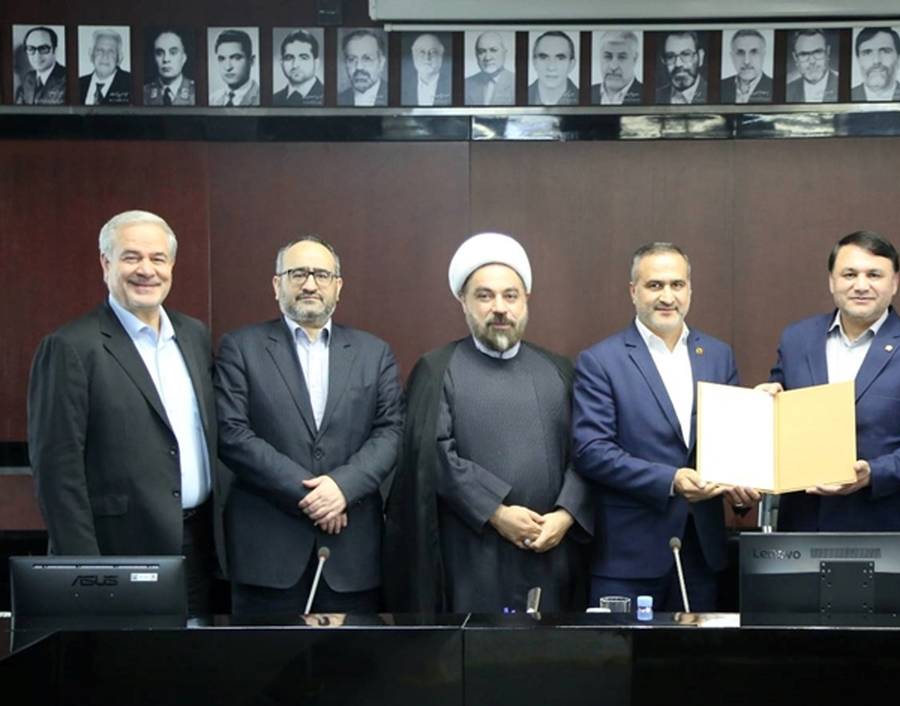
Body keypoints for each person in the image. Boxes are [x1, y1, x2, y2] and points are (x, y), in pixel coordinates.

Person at [386, 233, 591, 613]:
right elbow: (433, 454)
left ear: (525, 300)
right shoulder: (437, 369)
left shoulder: (559, 370)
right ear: (463, 302)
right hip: (472, 554)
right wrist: (497, 513)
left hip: (551, 550)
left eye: (510, 296)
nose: (499, 308)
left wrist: (565, 515)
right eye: (484, 296)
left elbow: (587, 452)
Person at [27, 210, 220, 613]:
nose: (146, 270)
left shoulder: (194, 335)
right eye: (131, 257)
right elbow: (57, 474)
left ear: (171, 266)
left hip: (198, 549)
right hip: (119, 554)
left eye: (157, 258)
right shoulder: (70, 347)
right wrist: (87, 573)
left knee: (194, 652)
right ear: (106, 263)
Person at [215, 236, 403, 615]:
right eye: (297, 273)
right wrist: (316, 497)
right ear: (276, 284)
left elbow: (391, 431)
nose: (310, 284)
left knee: (353, 654)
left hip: (352, 553)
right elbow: (232, 434)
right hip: (267, 554)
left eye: (321, 274)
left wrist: (342, 487)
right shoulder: (240, 347)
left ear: (338, 286)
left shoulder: (374, 353)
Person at [573, 243, 757, 612]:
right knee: (621, 651)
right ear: (633, 291)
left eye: (677, 284)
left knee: (697, 651)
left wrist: (740, 490)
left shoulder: (718, 355)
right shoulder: (601, 361)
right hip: (629, 556)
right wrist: (671, 480)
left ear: (690, 289)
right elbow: (591, 451)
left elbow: (728, 444)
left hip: (702, 553)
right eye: (654, 285)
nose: (667, 297)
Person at [756, 230, 900, 532]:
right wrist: (763, 405)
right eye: (849, 274)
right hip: (803, 524)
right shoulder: (797, 340)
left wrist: (873, 473)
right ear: (832, 281)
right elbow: (778, 415)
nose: (861, 285)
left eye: (874, 275)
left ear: (895, 283)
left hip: (884, 527)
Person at [79, 28, 131, 105]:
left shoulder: (132, 84)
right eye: (100, 50)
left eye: (111, 51)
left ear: (119, 57)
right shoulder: (77, 84)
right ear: (91, 54)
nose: (105, 56)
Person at [16, 26, 67, 105]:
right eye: (31, 49)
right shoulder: (28, 78)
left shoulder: (68, 79)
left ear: (55, 50)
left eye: (43, 48)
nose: (37, 56)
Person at [720, 29, 773, 103]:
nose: (746, 61)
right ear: (732, 56)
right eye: (740, 52)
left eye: (754, 52)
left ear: (763, 55)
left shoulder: (775, 87)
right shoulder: (719, 86)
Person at [145, 29, 196, 105]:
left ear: (184, 58)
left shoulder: (196, 92)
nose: (166, 59)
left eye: (173, 53)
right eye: (159, 53)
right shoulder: (144, 93)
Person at [785, 29, 839, 103]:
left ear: (827, 52)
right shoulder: (788, 91)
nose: (812, 61)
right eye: (804, 54)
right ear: (795, 58)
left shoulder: (843, 86)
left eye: (817, 52)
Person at [337, 29, 388, 106]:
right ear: (345, 63)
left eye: (367, 59)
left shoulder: (394, 95)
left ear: (381, 63)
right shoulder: (339, 99)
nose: (359, 67)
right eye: (351, 59)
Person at [655, 30, 708, 104]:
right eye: (670, 56)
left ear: (700, 57)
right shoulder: (655, 97)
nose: (678, 64)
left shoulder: (713, 94)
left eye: (686, 54)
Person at [209, 29, 259, 107]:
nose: (228, 67)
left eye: (236, 58)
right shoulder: (212, 99)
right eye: (222, 59)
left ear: (251, 61)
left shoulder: (262, 97)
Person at [273, 29, 323, 106]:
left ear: (316, 63)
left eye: (303, 58)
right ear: (281, 63)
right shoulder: (274, 99)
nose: (295, 65)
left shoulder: (328, 96)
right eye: (289, 58)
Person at [851, 27, 900, 101]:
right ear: (858, 60)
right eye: (867, 52)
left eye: (885, 51)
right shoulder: (847, 95)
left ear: (899, 59)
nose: (876, 61)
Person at [591, 30, 642, 105]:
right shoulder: (586, 93)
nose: (613, 67)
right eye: (607, 56)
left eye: (622, 57)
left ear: (635, 59)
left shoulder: (649, 94)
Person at [464, 31, 515, 105]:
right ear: (476, 55)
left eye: (493, 50)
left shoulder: (517, 83)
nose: (487, 57)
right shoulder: (466, 84)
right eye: (481, 52)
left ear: (504, 52)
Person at [529, 31, 579, 105]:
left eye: (560, 58)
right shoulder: (515, 97)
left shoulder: (586, 99)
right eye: (543, 57)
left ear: (571, 64)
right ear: (534, 62)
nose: (551, 67)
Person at [401, 33, 451, 106]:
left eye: (433, 52)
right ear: (414, 56)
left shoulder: (451, 85)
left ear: (441, 56)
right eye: (422, 52)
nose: (427, 58)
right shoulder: (403, 86)